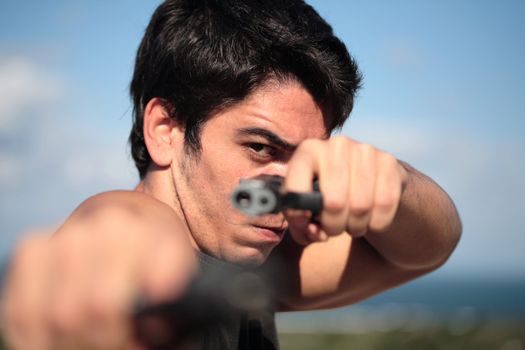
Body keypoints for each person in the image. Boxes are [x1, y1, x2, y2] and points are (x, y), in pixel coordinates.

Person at [0, 0, 462, 349]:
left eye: (307, 161)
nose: (286, 188)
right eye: (261, 148)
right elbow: (125, 227)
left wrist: (394, 184)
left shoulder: (245, 268)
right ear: (166, 129)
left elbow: (425, 250)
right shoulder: (154, 251)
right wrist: (110, 238)